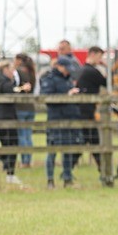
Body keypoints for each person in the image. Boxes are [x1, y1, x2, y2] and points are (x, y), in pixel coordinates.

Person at [41, 55, 83, 189]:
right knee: (52, 151)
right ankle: (50, 180)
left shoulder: (68, 80)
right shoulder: (49, 80)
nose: (68, 71)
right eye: (66, 68)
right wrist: (67, 96)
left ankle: (67, 178)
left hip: (69, 120)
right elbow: (47, 98)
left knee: (68, 151)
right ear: (59, 66)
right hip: (55, 120)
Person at [0, 58, 26, 186]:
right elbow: (11, 92)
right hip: (6, 117)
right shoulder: (3, 82)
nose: (13, 72)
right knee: (11, 145)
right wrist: (21, 89)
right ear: (5, 69)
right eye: (11, 70)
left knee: (4, 145)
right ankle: (10, 174)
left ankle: (5, 170)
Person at [73, 47, 108, 173]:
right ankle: (103, 170)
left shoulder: (84, 70)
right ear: (93, 54)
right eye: (100, 56)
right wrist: (108, 68)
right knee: (91, 140)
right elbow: (107, 83)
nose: (101, 60)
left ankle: (69, 170)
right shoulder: (91, 71)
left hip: (83, 110)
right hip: (86, 111)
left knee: (87, 140)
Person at [13, 53, 37, 168]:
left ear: (19, 60)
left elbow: (15, 88)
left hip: (20, 107)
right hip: (31, 107)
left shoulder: (17, 72)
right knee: (28, 135)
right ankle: (28, 160)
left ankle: (24, 161)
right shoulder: (32, 73)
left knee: (22, 135)